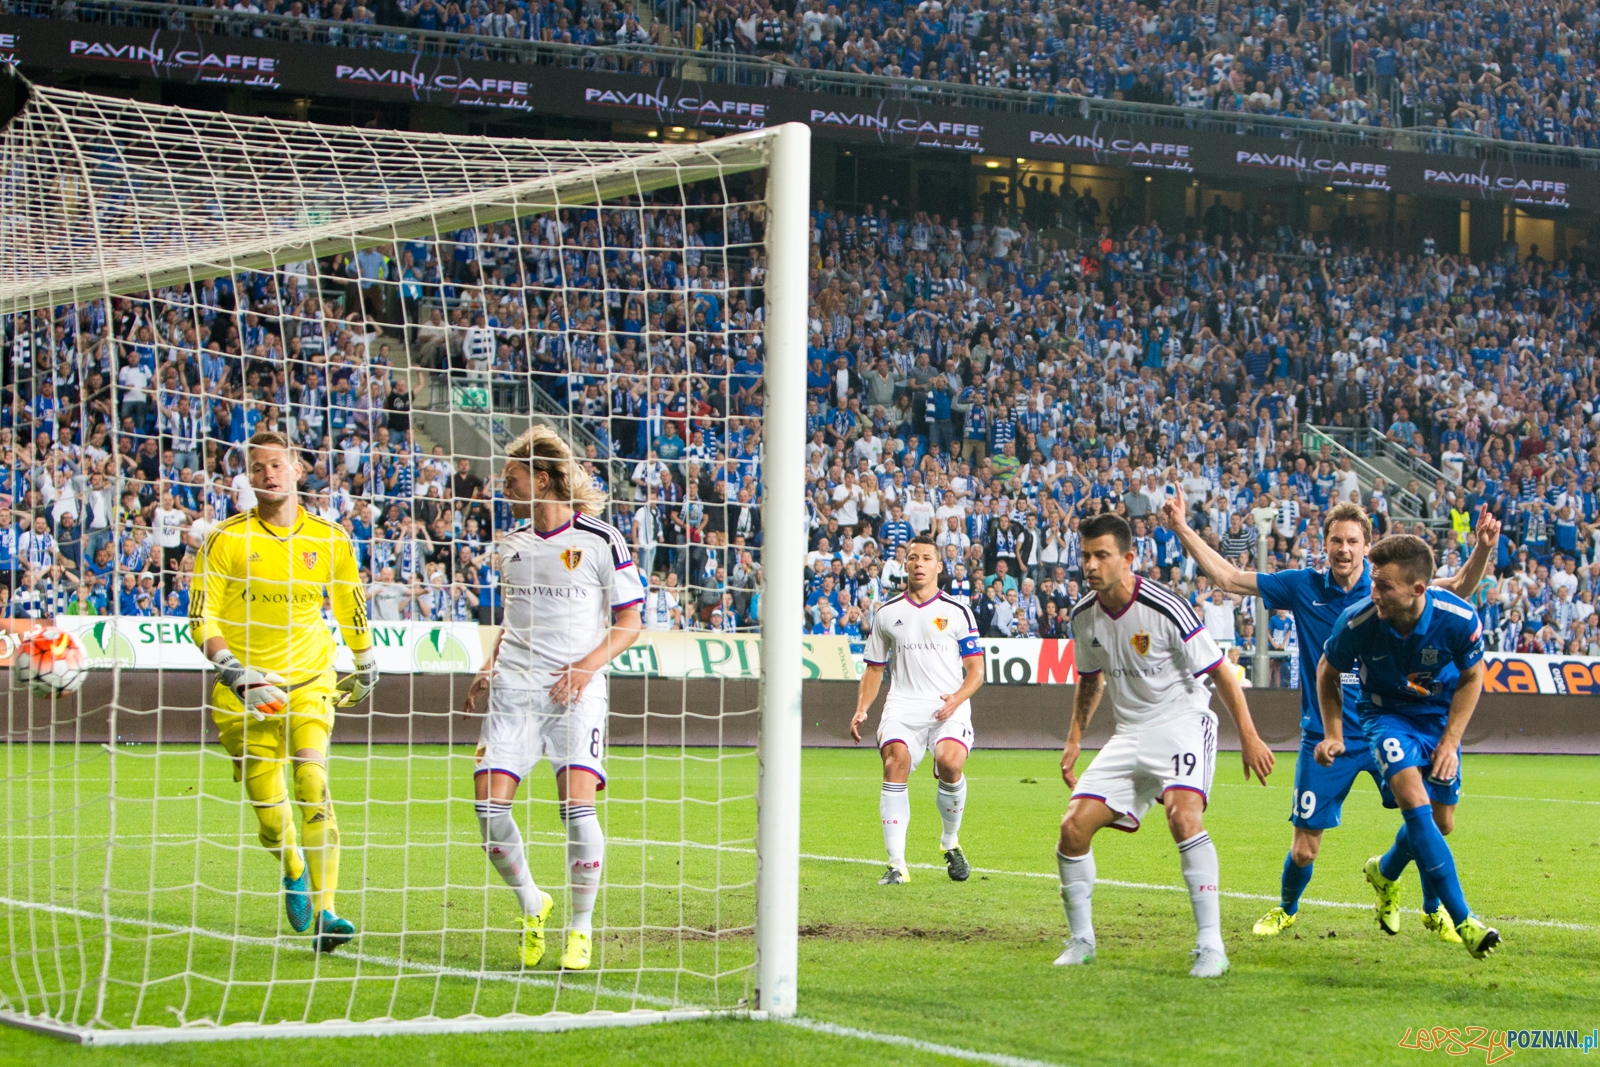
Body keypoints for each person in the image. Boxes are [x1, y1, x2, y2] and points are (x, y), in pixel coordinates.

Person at [1161, 492, 1499, 940]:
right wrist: (1183, 528)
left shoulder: (1386, 588)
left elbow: (1454, 589)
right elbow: (1228, 577)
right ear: (1325, 544)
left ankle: (1430, 906)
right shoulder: (1303, 586)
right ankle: (1287, 907)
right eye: (1336, 540)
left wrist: (1483, 549)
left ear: (1366, 546)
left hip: (1390, 720)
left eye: (1353, 541)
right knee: (1304, 849)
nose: (1343, 548)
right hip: (1326, 735)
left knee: (1433, 822)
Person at [1056, 513, 1274, 977]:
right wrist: (1075, 739)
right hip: (1128, 733)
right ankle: (1081, 940)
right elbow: (1089, 680)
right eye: (1085, 555)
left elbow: (1219, 672)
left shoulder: (1165, 606)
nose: (1090, 565)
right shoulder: (1083, 616)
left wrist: (1250, 737)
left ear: (1128, 558)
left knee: (1182, 815)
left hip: (1183, 722)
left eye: (1102, 555)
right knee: (1073, 828)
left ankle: (1211, 945)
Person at [461, 425, 645, 971]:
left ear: (541, 479)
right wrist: (489, 665)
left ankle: (580, 927)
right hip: (514, 690)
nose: (504, 484)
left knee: (575, 807)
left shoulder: (600, 539)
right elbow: (516, 619)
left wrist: (586, 668)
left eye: (512, 476)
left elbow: (630, 622)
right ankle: (531, 902)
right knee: (487, 808)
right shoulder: (511, 546)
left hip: (576, 694)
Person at [189, 429, 377, 953]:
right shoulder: (225, 539)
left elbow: (350, 605)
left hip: (310, 680)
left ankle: (327, 912)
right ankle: (292, 864)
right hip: (243, 691)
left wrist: (364, 662)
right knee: (272, 819)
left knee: (313, 782)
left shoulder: (330, 538)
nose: (268, 474)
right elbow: (199, 617)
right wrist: (232, 668)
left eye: (277, 464)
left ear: (298, 468)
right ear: (250, 478)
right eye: (258, 468)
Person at [1316, 535, 1500, 959]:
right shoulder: (1358, 621)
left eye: (1384, 586)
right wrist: (1333, 732)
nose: (1373, 592)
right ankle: (1465, 921)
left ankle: (1385, 871)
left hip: (1437, 718)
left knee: (1442, 823)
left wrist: (1451, 743)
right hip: (1386, 716)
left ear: (1418, 590)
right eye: (1374, 582)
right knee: (1414, 802)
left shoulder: (1456, 618)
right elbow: (1328, 671)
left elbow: (1474, 676)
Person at [850, 533, 985, 885]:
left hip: (948, 704)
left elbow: (976, 671)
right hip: (904, 704)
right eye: (913, 558)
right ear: (905, 564)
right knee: (895, 761)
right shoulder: (887, 613)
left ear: (939, 567)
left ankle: (949, 842)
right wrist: (863, 708)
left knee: (950, 762)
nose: (919, 563)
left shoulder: (957, 612)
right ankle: (897, 865)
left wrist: (957, 698)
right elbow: (875, 668)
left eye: (926, 558)